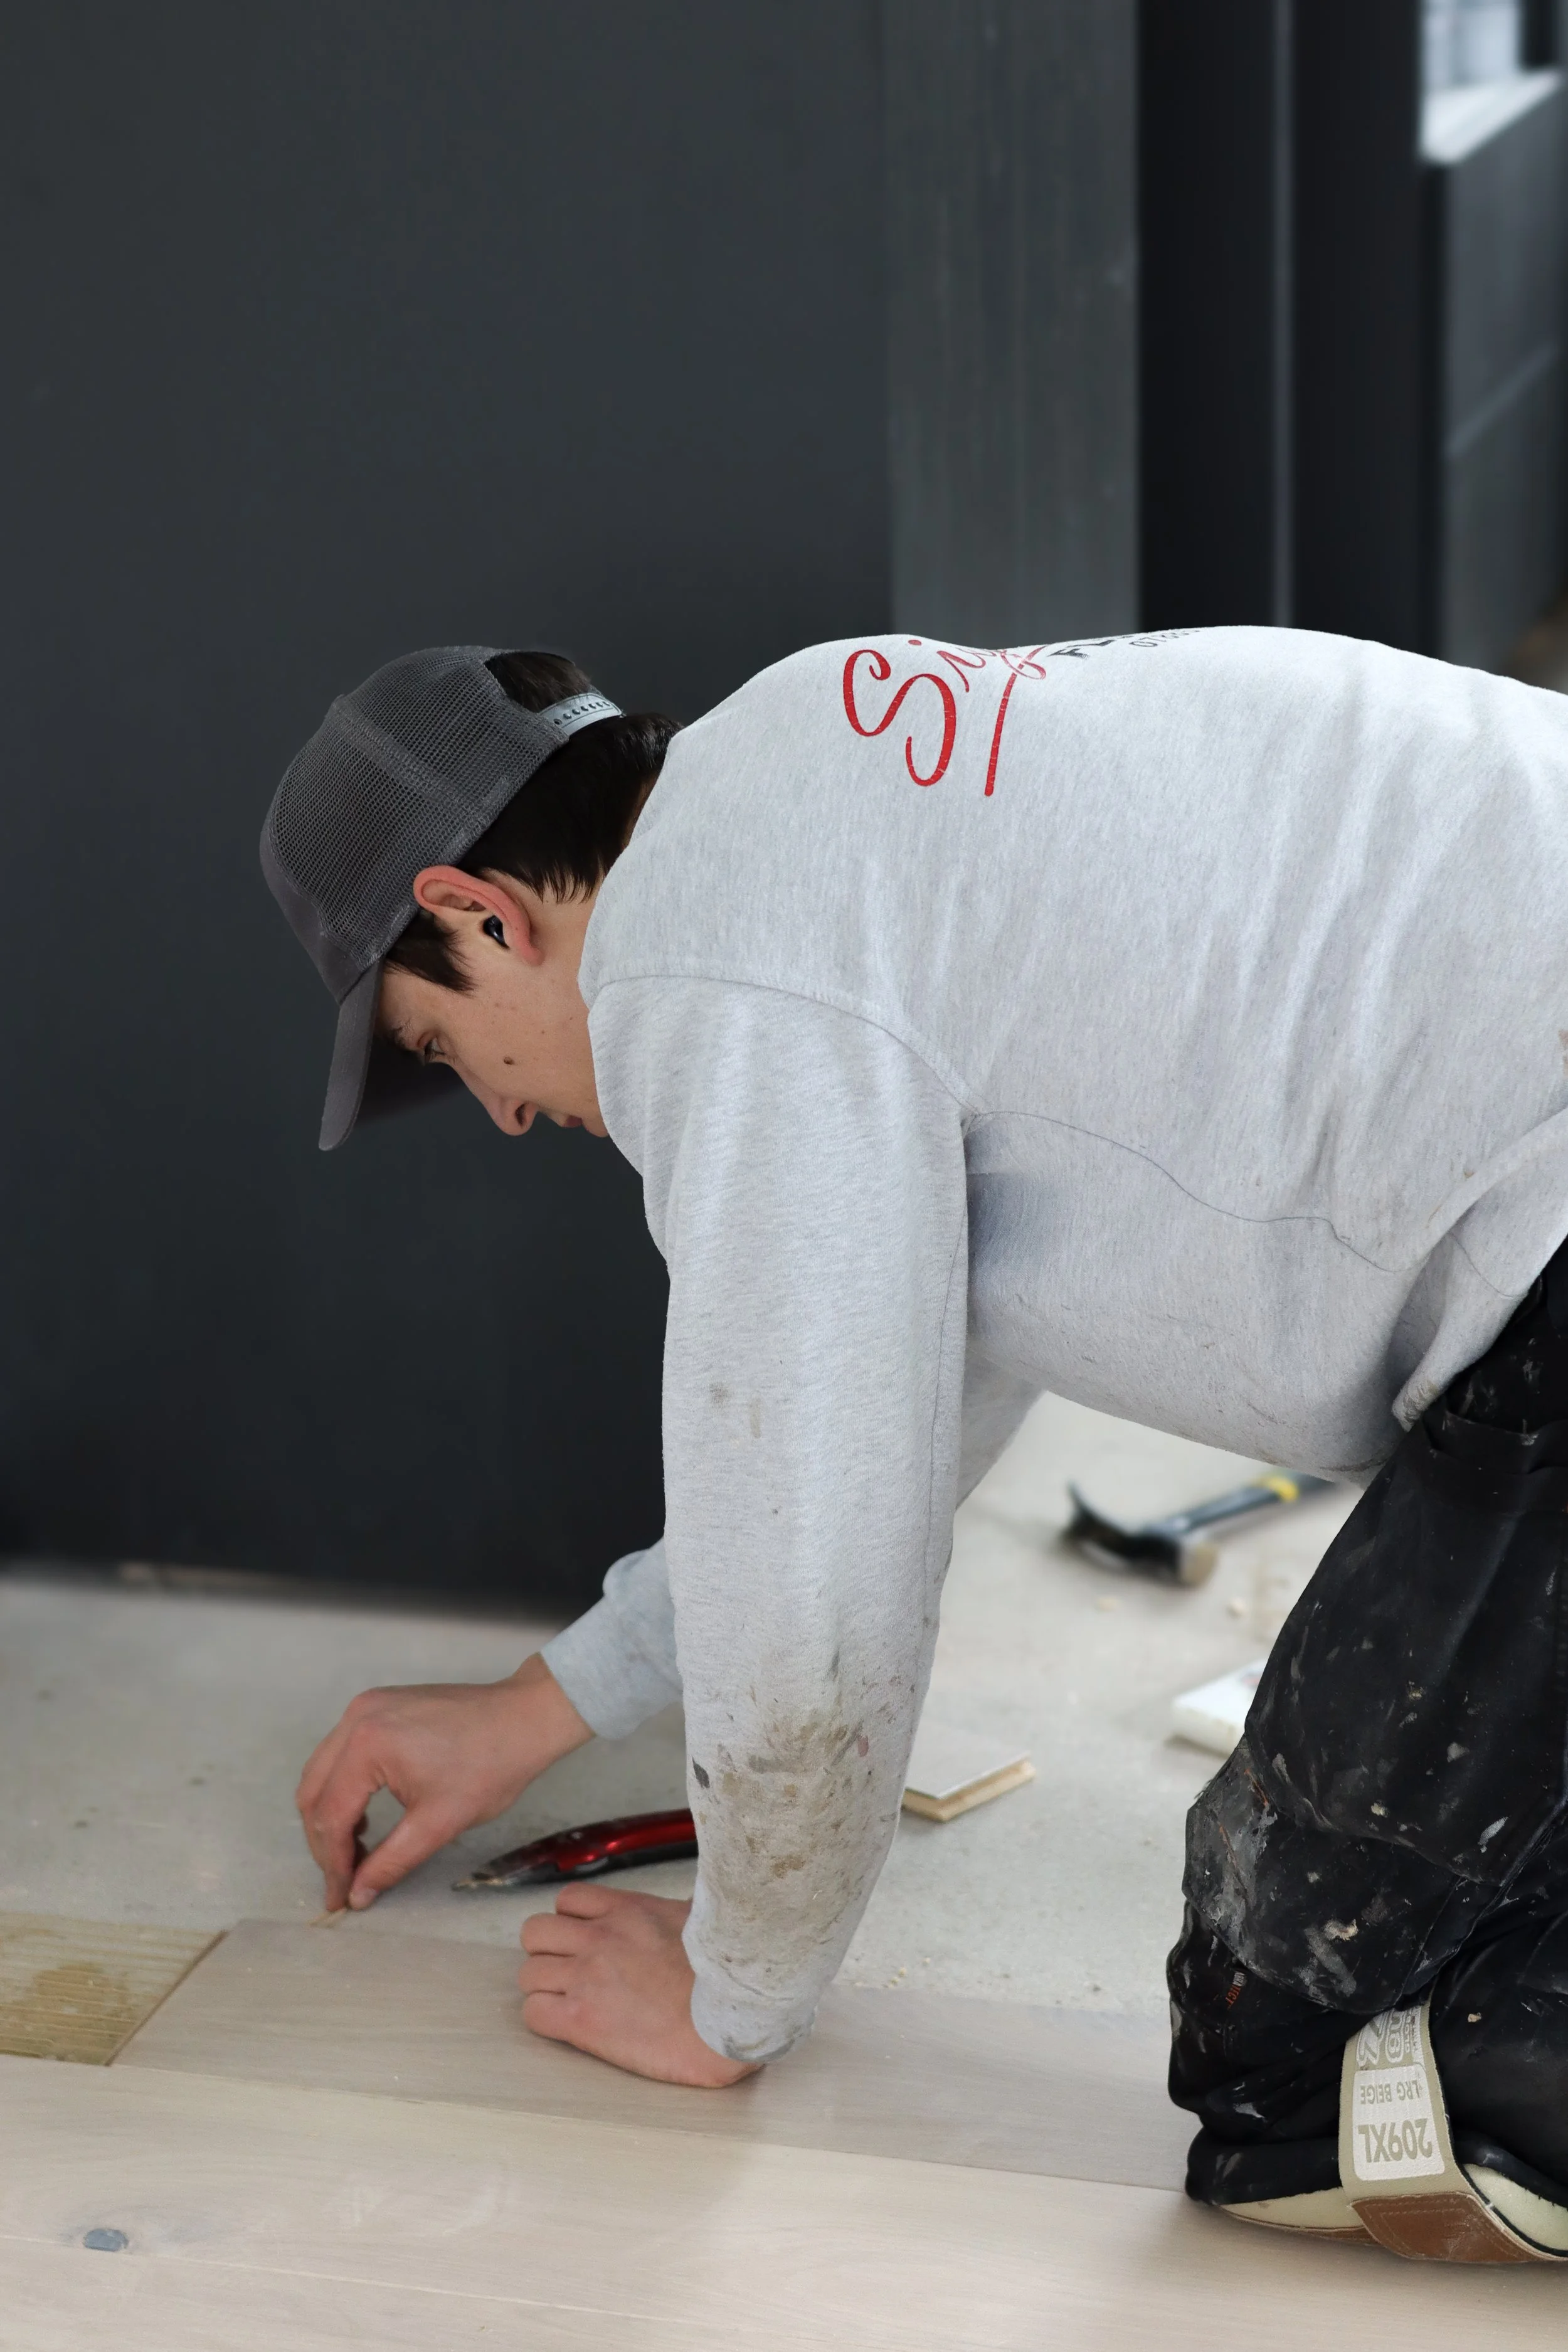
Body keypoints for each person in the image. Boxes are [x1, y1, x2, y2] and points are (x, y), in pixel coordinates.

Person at [264, 627, 1568, 2262]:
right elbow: (890, 1405)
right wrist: (550, 1704)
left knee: (1294, 2051)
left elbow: (808, 1580)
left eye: (451, 1052)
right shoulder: (813, 808)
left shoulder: (710, 965)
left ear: (478, 911)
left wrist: (730, 1989)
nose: (510, 1114)